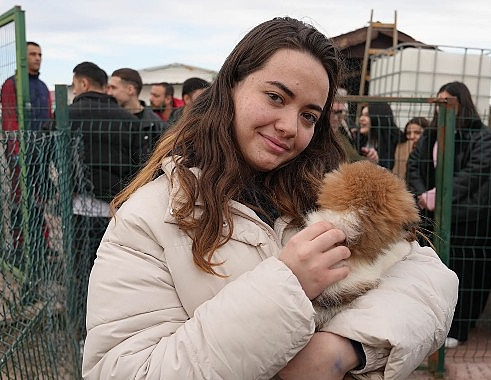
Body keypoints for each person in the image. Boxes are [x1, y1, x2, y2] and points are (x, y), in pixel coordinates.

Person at [82, 17, 458, 379]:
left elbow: (427, 278)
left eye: (309, 116)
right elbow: (127, 370)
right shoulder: (148, 217)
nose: (289, 127)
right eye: (276, 97)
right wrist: (289, 285)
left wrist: (347, 348)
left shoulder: (324, 192)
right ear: (231, 86)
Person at [408, 81, 491, 348]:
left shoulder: (479, 135)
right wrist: (424, 193)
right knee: (432, 272)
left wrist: (441, 195)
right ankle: (432, 324)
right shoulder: (431, 133)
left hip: (467, 218)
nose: (441, 107)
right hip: (434, 215)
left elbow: (476, 171)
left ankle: (459, 327)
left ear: (462, 103)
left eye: (447, 101)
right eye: (438, 101)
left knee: (464, 274)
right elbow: (414, 163)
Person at [68, 61, 141, 342]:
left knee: (81, 272)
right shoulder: (128, 121)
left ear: (83, 84)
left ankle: (83, 331)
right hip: (117, 211)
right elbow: (139, 166)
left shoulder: (67, 116)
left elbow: (47, 159)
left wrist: (56, 191)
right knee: (116, 276)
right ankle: (115, 331)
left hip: (78, 208)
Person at [0, 41, 53, 304]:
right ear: (22, 57)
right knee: (21, 198)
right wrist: (16, 151)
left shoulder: (42, 87)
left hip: (41, 153)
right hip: (21, 152)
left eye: (40, 54)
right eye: (32, 54)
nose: (37, 59)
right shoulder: (12, 84)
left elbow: (49, 120)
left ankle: (42, 242)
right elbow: (10, 118)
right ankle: (22, 244)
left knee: (39, 197)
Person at [106, 68, 166, 162]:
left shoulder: (156, 125)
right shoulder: (107, 122)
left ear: (130, 89)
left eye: (113, 88)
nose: (109, 93)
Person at [330, 88, 378, 163]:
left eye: (340, 112)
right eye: (331, 112)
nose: (335, 118)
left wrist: (370, 159)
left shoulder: (347, 130)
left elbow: (352, 158)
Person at [356, 102, 404, 169]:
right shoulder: (358, 140)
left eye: (367, 115)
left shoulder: (397, 144)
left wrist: (377, 162)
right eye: (361, 115)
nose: (361, 119)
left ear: (379, 119)